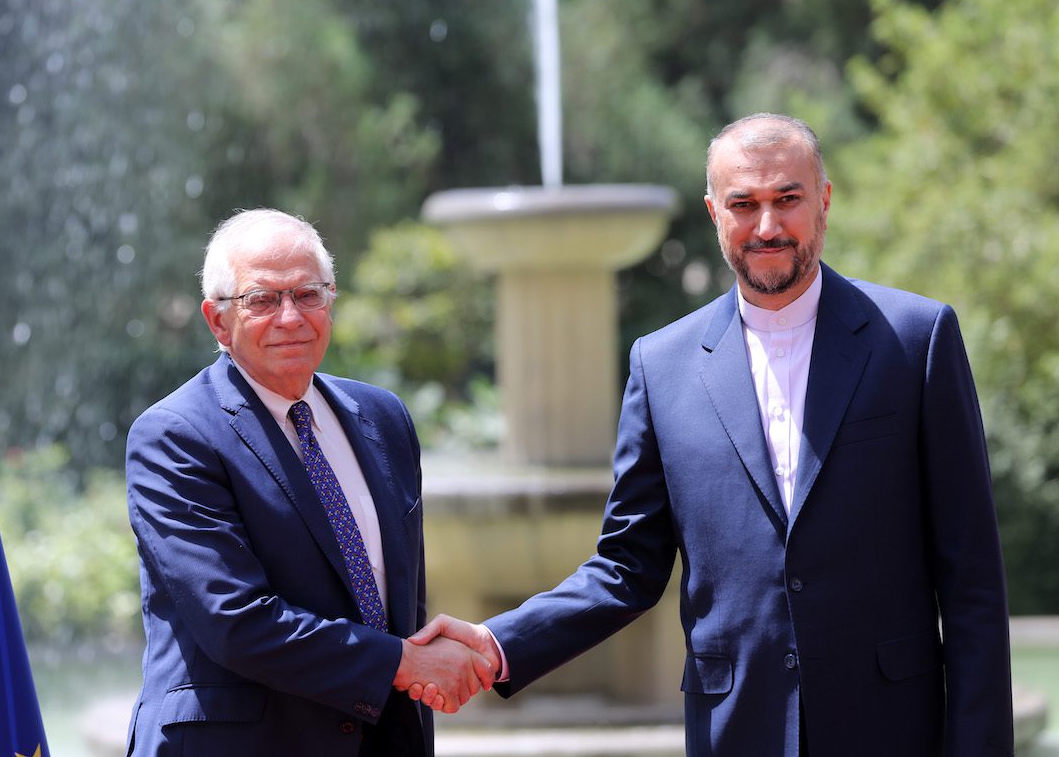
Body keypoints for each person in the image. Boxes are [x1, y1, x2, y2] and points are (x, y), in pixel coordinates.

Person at [410, 114, 1015, 756]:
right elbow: (627, 567)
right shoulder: (660, 365)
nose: (768, 226)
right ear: (713, 212)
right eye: (744, 204)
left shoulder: (916, 339)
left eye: (788, 199)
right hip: (737, 731)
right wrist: (501, 643)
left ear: (824, 201)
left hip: (891, 728)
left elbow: (972, 576)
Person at [125, 209, 492, 757]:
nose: (291, 317)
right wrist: (401, 664)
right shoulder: (175, 435)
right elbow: (236, 621)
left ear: (331, 301)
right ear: (217, 321)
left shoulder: (383, 417)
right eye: (262, 299)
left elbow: (396, 594)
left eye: (308, 295)